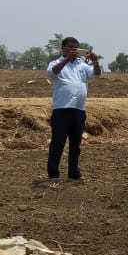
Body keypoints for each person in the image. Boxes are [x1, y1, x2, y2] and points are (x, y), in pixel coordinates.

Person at [46, 37, 101, 182]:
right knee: (58, 142)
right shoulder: (56, 63)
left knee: (75, 144)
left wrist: (95, 61)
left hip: (79, 110)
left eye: (76, 48)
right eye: (70, 47)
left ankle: (73, 173)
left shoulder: (81, 65)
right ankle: (53, 173)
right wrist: (66, 60)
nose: (73, 50)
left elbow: (96, 74)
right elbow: (52, 73)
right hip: (61, 109)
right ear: (63, 48)